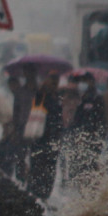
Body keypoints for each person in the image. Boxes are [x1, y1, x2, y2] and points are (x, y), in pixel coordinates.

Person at [27, 71, 64, 200]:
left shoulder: (57, 97)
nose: (54, 83)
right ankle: (33, 195)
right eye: (52, 80)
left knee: (50, 170)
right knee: (37, 167)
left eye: (56, 80)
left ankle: (44, 196)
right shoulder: (41, 94)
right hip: (40, 138)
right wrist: (43, 88)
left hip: (53, 140)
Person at [68, 72, 106, 182]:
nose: (84, 83)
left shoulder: (98, 97)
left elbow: (101, 118)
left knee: (93, 162)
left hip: (95, 136)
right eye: (83, 81)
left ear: (92, 82)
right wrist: (76, 134)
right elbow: (78, 118)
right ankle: (84, 185)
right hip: (82, 136)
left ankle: (94, 184)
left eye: (86, 81)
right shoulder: (83, 97)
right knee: (82, 162)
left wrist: (100, 136)